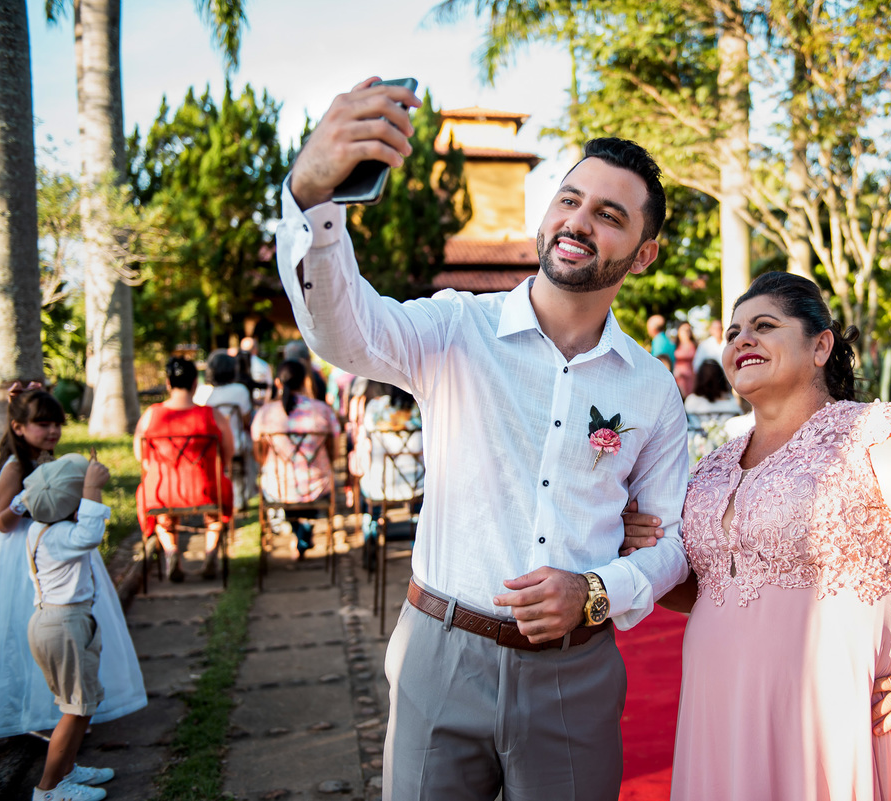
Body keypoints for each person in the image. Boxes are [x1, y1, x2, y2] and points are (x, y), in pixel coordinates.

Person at [278, 76, 689, 801]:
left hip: (576, 671)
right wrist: (313, 200)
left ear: (643, 254)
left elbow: (673, 541)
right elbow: (347, 334)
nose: (578, 221)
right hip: (440, 652)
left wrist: (594, 592)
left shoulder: (652, 389)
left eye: (608, 215)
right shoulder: (455, 327)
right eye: (568, 199)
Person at [622, 271, 891, 800]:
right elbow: (712, 587)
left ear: (821, 346)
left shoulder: (876, 437)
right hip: (722, 715)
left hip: (836, 719)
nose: (742, 339)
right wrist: (645, 548)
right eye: (732, 333)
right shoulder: (712, 468)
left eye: (764, 326)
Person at [0, 385, 146, 743]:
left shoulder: (47, 459)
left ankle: (69, 709)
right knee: (33, 632)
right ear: (18, 427)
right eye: (43, 424)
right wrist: (22, 502)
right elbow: (2, 522)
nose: (52, 431)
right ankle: (42, 713)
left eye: (57, 424)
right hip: (31, 554)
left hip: (63, 546)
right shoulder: (15, 467)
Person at [20, 453, 118, 801]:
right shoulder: (60, 536)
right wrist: (91, 487)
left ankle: (67, 769)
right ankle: (48, 788)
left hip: (57, 622)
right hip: (65, 624)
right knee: (75, 709)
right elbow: (91, 533)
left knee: (82, 704)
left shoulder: (39, 528)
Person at [133, 357, 234, 582]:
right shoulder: (212, 415)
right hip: (205, 488)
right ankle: (211, 552)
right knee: (215, 510)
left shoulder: (151, 414)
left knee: (163, 514)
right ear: (195, 383)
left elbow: (141, 457)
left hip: (162, 491)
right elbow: (228, 452)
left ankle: (171, 551)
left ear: (168, 383)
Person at [250, 360, 341, 559]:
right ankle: (303, 533)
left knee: (283, 490)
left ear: (277, 382)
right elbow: (335, 453)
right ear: (305, 381)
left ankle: (300, 534)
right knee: (308, 492)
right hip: (316, 486)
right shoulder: (323, 410)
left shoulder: (265, 413)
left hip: (278, 488)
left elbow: (258, 455)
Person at [354, 381, 423, 569]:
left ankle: (371, 531)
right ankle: (417, 544)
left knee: (367, 495)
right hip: (417, 485)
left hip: (381, 485)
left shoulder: (375, 408)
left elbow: (364, 438)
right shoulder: (422, 408)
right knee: (420, 506)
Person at [196, 352, 255, 511]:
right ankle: (242, 495)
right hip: (236, 443)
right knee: (249, 442)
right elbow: (246, 420)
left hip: (209, 445)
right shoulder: (240, 390)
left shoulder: (202, 392)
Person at [238, 336, 274, 406]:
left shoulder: (236, 365)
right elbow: (269, 385)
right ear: (255, 349)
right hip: (261, 401)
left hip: (242, 402)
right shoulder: (263, 365)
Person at [672, 321, 697, 397]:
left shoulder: (694, 345)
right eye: (684, 330)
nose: (686, 332)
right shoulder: (674, 345)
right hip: (678, 377)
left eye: (688, 330)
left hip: (691, 377)